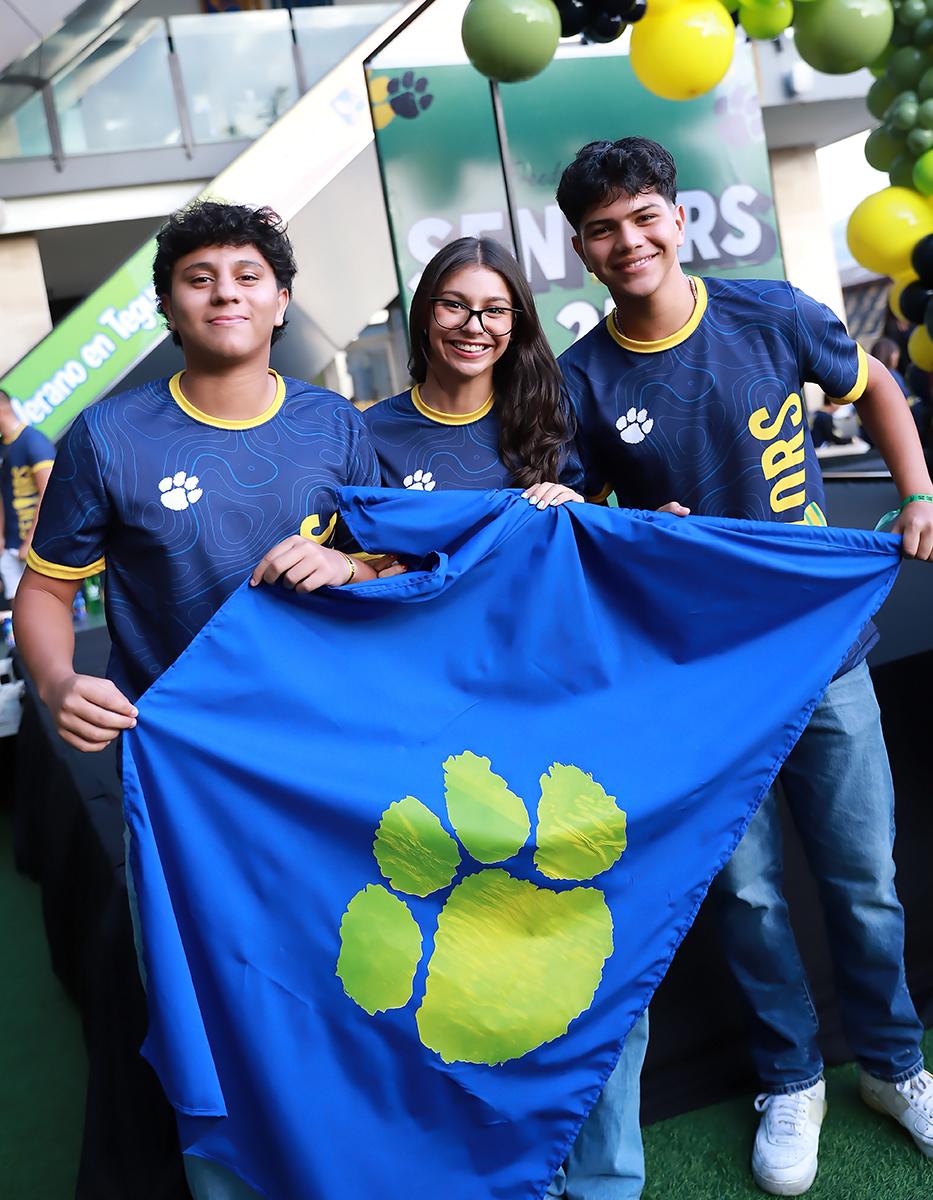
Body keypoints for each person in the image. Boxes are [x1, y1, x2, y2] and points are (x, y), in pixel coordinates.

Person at [555, 136, 933, 1197]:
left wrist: (919, 496)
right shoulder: (584, 379)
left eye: (642, 218)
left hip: (824, 655)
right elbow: (575, 526)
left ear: (678, 220)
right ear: (583, 251)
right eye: (603, 229)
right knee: (751, 894)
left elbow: (882, 390)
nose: (628, 241)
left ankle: (896, 1067)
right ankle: (791, 1077)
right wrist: (639, 527)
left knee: (864, 879)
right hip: (698, 683)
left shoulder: (772, 312)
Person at [15, 199, 386, 1200]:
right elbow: (46, 589)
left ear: (280, 301)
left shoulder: (335, 425)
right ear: (169, 308)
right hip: (183, 782)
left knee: (349, 980)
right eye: (199, 277)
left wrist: (349, 564)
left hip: (330, 763)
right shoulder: (110, 436)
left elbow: (394, 560)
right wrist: (55, 682)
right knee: (206, 1008)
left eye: (246, 275)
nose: (225, 290)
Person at [364, 234, 657, 1200]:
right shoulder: (371, 433)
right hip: (431, 726)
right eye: (454, 305)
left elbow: (621, 542)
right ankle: (495, 1168)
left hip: (553, 716)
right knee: (477, 949)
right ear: (424, 313)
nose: (474, 326)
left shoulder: (554, 420)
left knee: (587, 932)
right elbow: (363, 568)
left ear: (518, 322)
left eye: (495, 309)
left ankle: (606, 1177)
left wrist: (577, 506)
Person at [0, 389, 55, 601]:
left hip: (37, 546)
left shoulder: (33, 440)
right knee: (18, 614)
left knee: (43, 607)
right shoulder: (2, 446)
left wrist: (31, 540)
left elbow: (49, 493)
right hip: (11, 546)